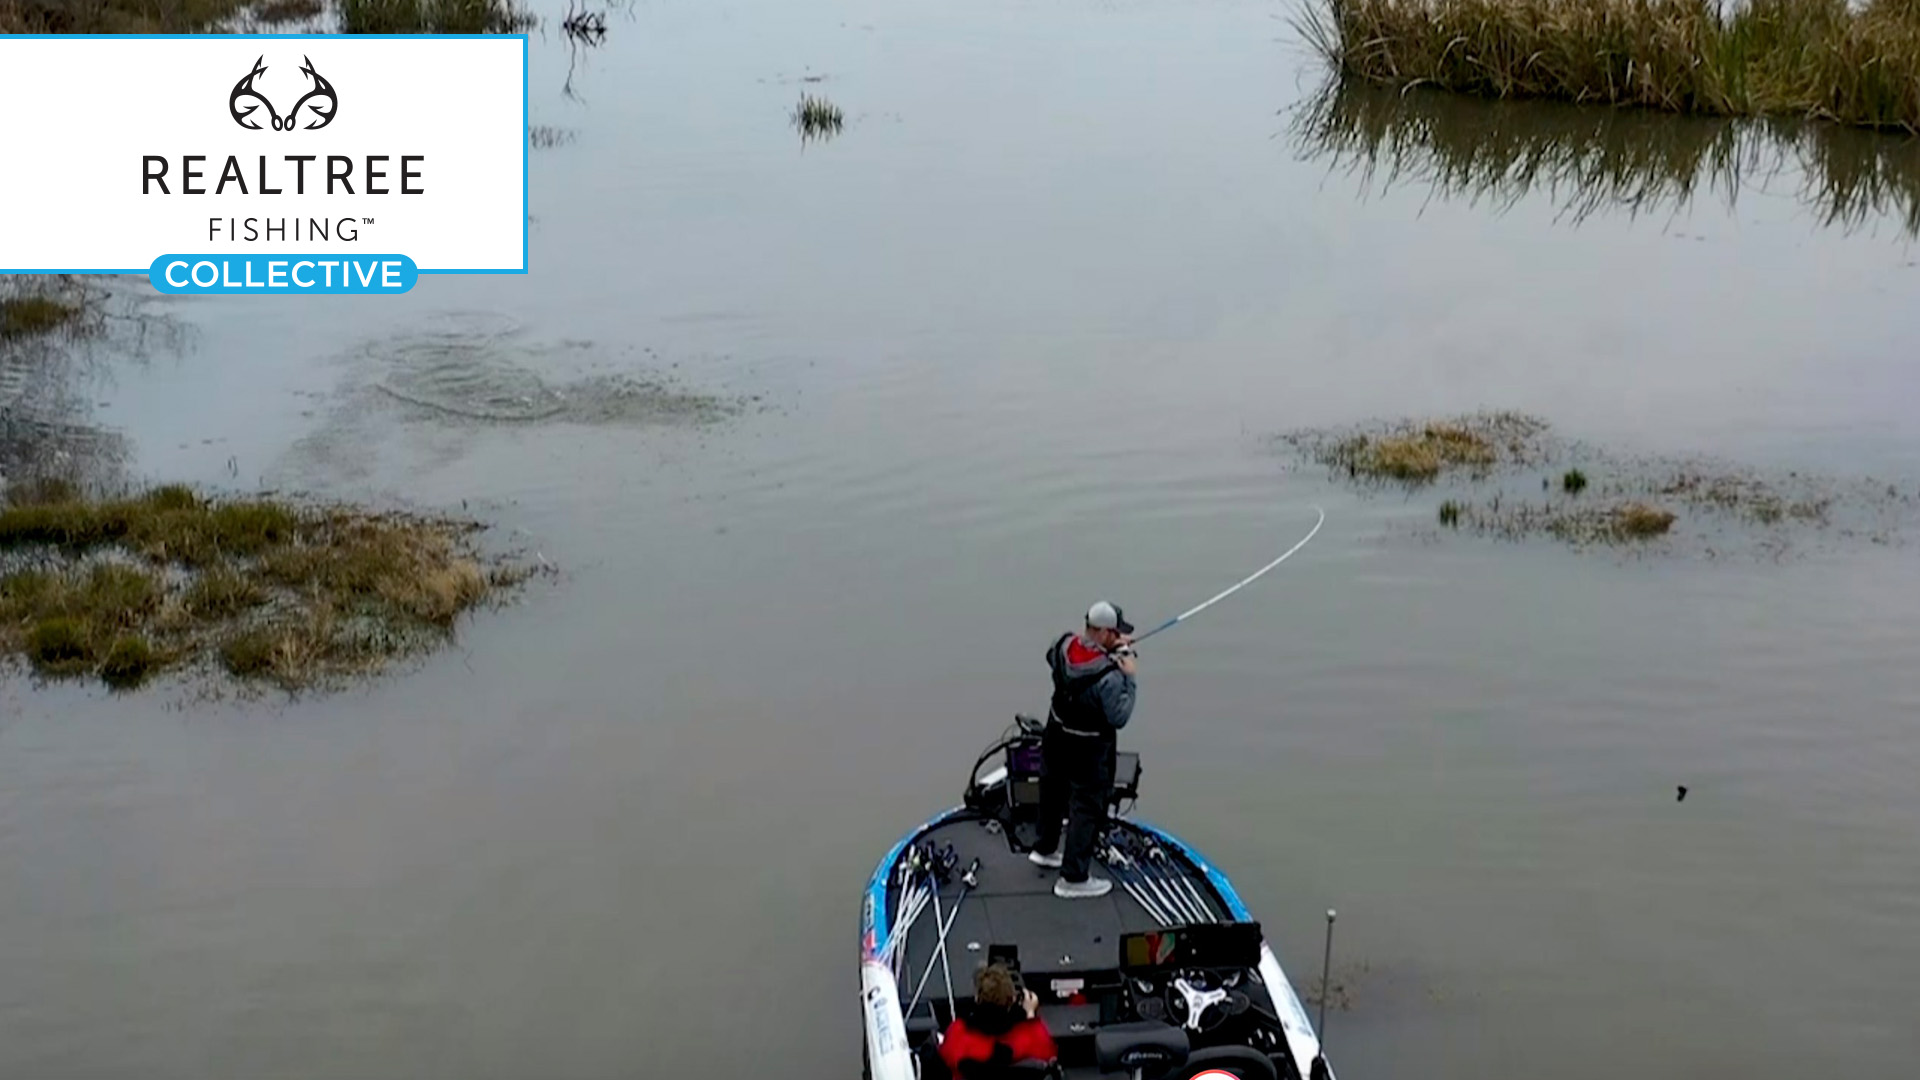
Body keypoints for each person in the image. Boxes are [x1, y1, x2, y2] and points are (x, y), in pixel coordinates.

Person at [1027, 600, 1136, 899]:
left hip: (1056, 733)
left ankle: (1044, 849)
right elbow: (1120, 716)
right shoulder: (1111, 677)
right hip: (1088, 747)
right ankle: (1073, 878)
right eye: (1114, 633)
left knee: (1052, 790)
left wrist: (1103, 648)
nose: (1119, 638)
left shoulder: (1061, 646)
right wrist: (1129, 674)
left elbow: (1056, 657)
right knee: (1086, 805)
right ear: (1102, 632)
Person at [938, 962, 1058, 1077]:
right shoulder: (1030, 1039)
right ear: (1012, 1000)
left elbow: (946, 1057)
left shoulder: (958, 1036)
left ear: (977, 998)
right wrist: (1030, 1015)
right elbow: (1048, 1056)